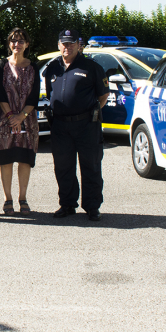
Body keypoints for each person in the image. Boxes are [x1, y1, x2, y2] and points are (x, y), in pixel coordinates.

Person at [42, 29, 109, 221]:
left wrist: (90, 112)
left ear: (78, 45)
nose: (67, 47)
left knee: (91, 166)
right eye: (64, 43)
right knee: (63, 167)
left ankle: (92, 206)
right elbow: (50, 93)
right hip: (60, 126)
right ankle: (67, 204)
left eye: (71, 43)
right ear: (58, 45)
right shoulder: (52, 68)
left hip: (87, 125)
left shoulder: (91, 67)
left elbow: (103, 95)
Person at [0, 27, 40, 216]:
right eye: (13, 40)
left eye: (21, 41)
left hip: (27, 121)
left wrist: (22, 116)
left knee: (24, 159)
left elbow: (34, 96)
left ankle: (23, 198)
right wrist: (12, 116)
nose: (16, 44)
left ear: (27, 44)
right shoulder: (1, 65)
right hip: (5, 119)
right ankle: (8, 198)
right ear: (9, 44)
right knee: (6, 160)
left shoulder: (33, 66)